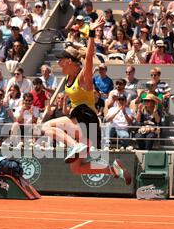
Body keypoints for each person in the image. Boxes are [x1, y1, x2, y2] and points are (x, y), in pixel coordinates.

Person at [42, 17, 131, 185]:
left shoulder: (84, 78)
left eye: (61, 59)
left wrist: (90, 33)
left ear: (70, 61)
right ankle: (112, 169)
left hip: (86, 119)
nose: (58, 62)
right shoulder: (68, 76)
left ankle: (74, 145)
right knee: (77, 169)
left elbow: (89, 57)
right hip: (81, 122)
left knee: (46, 126)